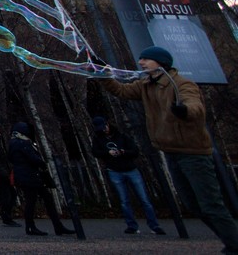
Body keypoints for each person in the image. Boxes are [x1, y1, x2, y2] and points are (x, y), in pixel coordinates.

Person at [102, 46, 238, 252]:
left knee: (211, 205)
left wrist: (184, 110)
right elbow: (120, 90)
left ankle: (234, 244)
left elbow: (195, 105)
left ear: (161, 62)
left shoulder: (181, 84)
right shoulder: (146, 85)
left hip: (193, 154)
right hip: (171, 152)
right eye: (141, 59)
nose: (141, 63)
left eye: (146, 59)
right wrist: (103, 75)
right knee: (194, 205)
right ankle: (232, 241)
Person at [90, 116, 165, 235]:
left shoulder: (122, 136)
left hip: (131, 169)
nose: (103, 130)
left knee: (144, 199)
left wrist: (123, 152)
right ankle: (132, 226)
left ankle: (154, 225)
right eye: (100, 128)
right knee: (124, 201)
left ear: (107, 124)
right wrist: (107, 153)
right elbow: (95, 152)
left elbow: (135, 151)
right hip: (114, 171)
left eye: (104, 127)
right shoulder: (98, 139)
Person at [7, 122, 74, 237]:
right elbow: (34, 159)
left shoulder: (14, 143)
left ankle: (53, 226)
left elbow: (13, 159)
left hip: (28, 176)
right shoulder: (23, 143)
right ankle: (35, 227)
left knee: (40, 201)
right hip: (30, 176)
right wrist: (42, 164)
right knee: (35, 202)